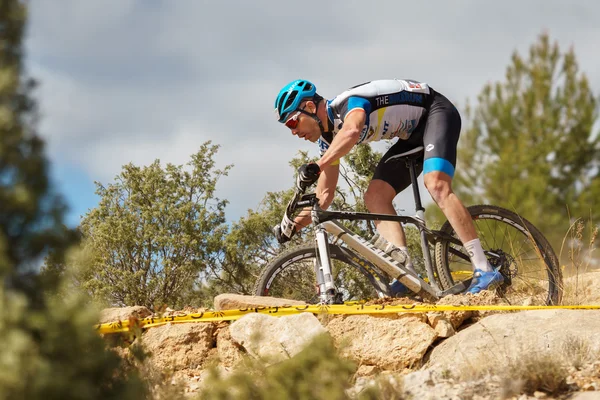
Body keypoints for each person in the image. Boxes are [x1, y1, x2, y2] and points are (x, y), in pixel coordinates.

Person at [273, 78, 503, 295]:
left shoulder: (348, 103)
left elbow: (352, 130)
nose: (293, 131)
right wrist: (294, 225)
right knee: (375, 196)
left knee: (436, 184)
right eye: (288, 127)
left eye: (293, 122)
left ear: (310, 107)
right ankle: (406, 273)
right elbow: (324, 194)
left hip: (436, 112)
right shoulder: (328, 140)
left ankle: (484, 268)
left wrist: (318, 165)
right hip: (411, 137)